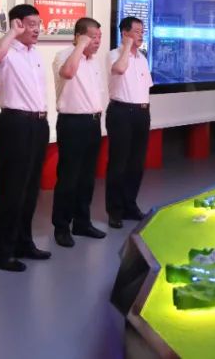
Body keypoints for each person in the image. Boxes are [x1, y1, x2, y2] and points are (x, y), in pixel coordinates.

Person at [0, 4, 51, 272]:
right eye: (31, 24)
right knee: (11, 190)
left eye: (38, 24)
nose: (37, 29)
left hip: (38, 124)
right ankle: (2, 253)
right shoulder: (6, 51)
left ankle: (24, 243)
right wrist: (12, 33)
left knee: (31, 188)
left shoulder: (34, 53)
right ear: (17, 24)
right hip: (15, 124)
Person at [51, 17, 107, 247]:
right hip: (72, 123)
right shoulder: (64, 55)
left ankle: (82, 222)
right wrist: (80, 47)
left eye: (99, 37)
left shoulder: (94, 62)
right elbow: (67, 72)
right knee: (69, 178)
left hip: (93, 123)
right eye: (93, 37)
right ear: (78, 36)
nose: (97, 41)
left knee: (87, 178)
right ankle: (61, 227)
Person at [106, 17, 154, 229]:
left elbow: (145, 87)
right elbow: (119, 69)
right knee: (119, 163)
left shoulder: (142, 58)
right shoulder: (113, 55)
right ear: (125, 33)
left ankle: (130, 205)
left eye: (142, 31)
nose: (141, 35)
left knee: (136, 163)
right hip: (121, 112)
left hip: (141, 113)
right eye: (136, 31)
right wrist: (127, 47)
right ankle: (115, 211)